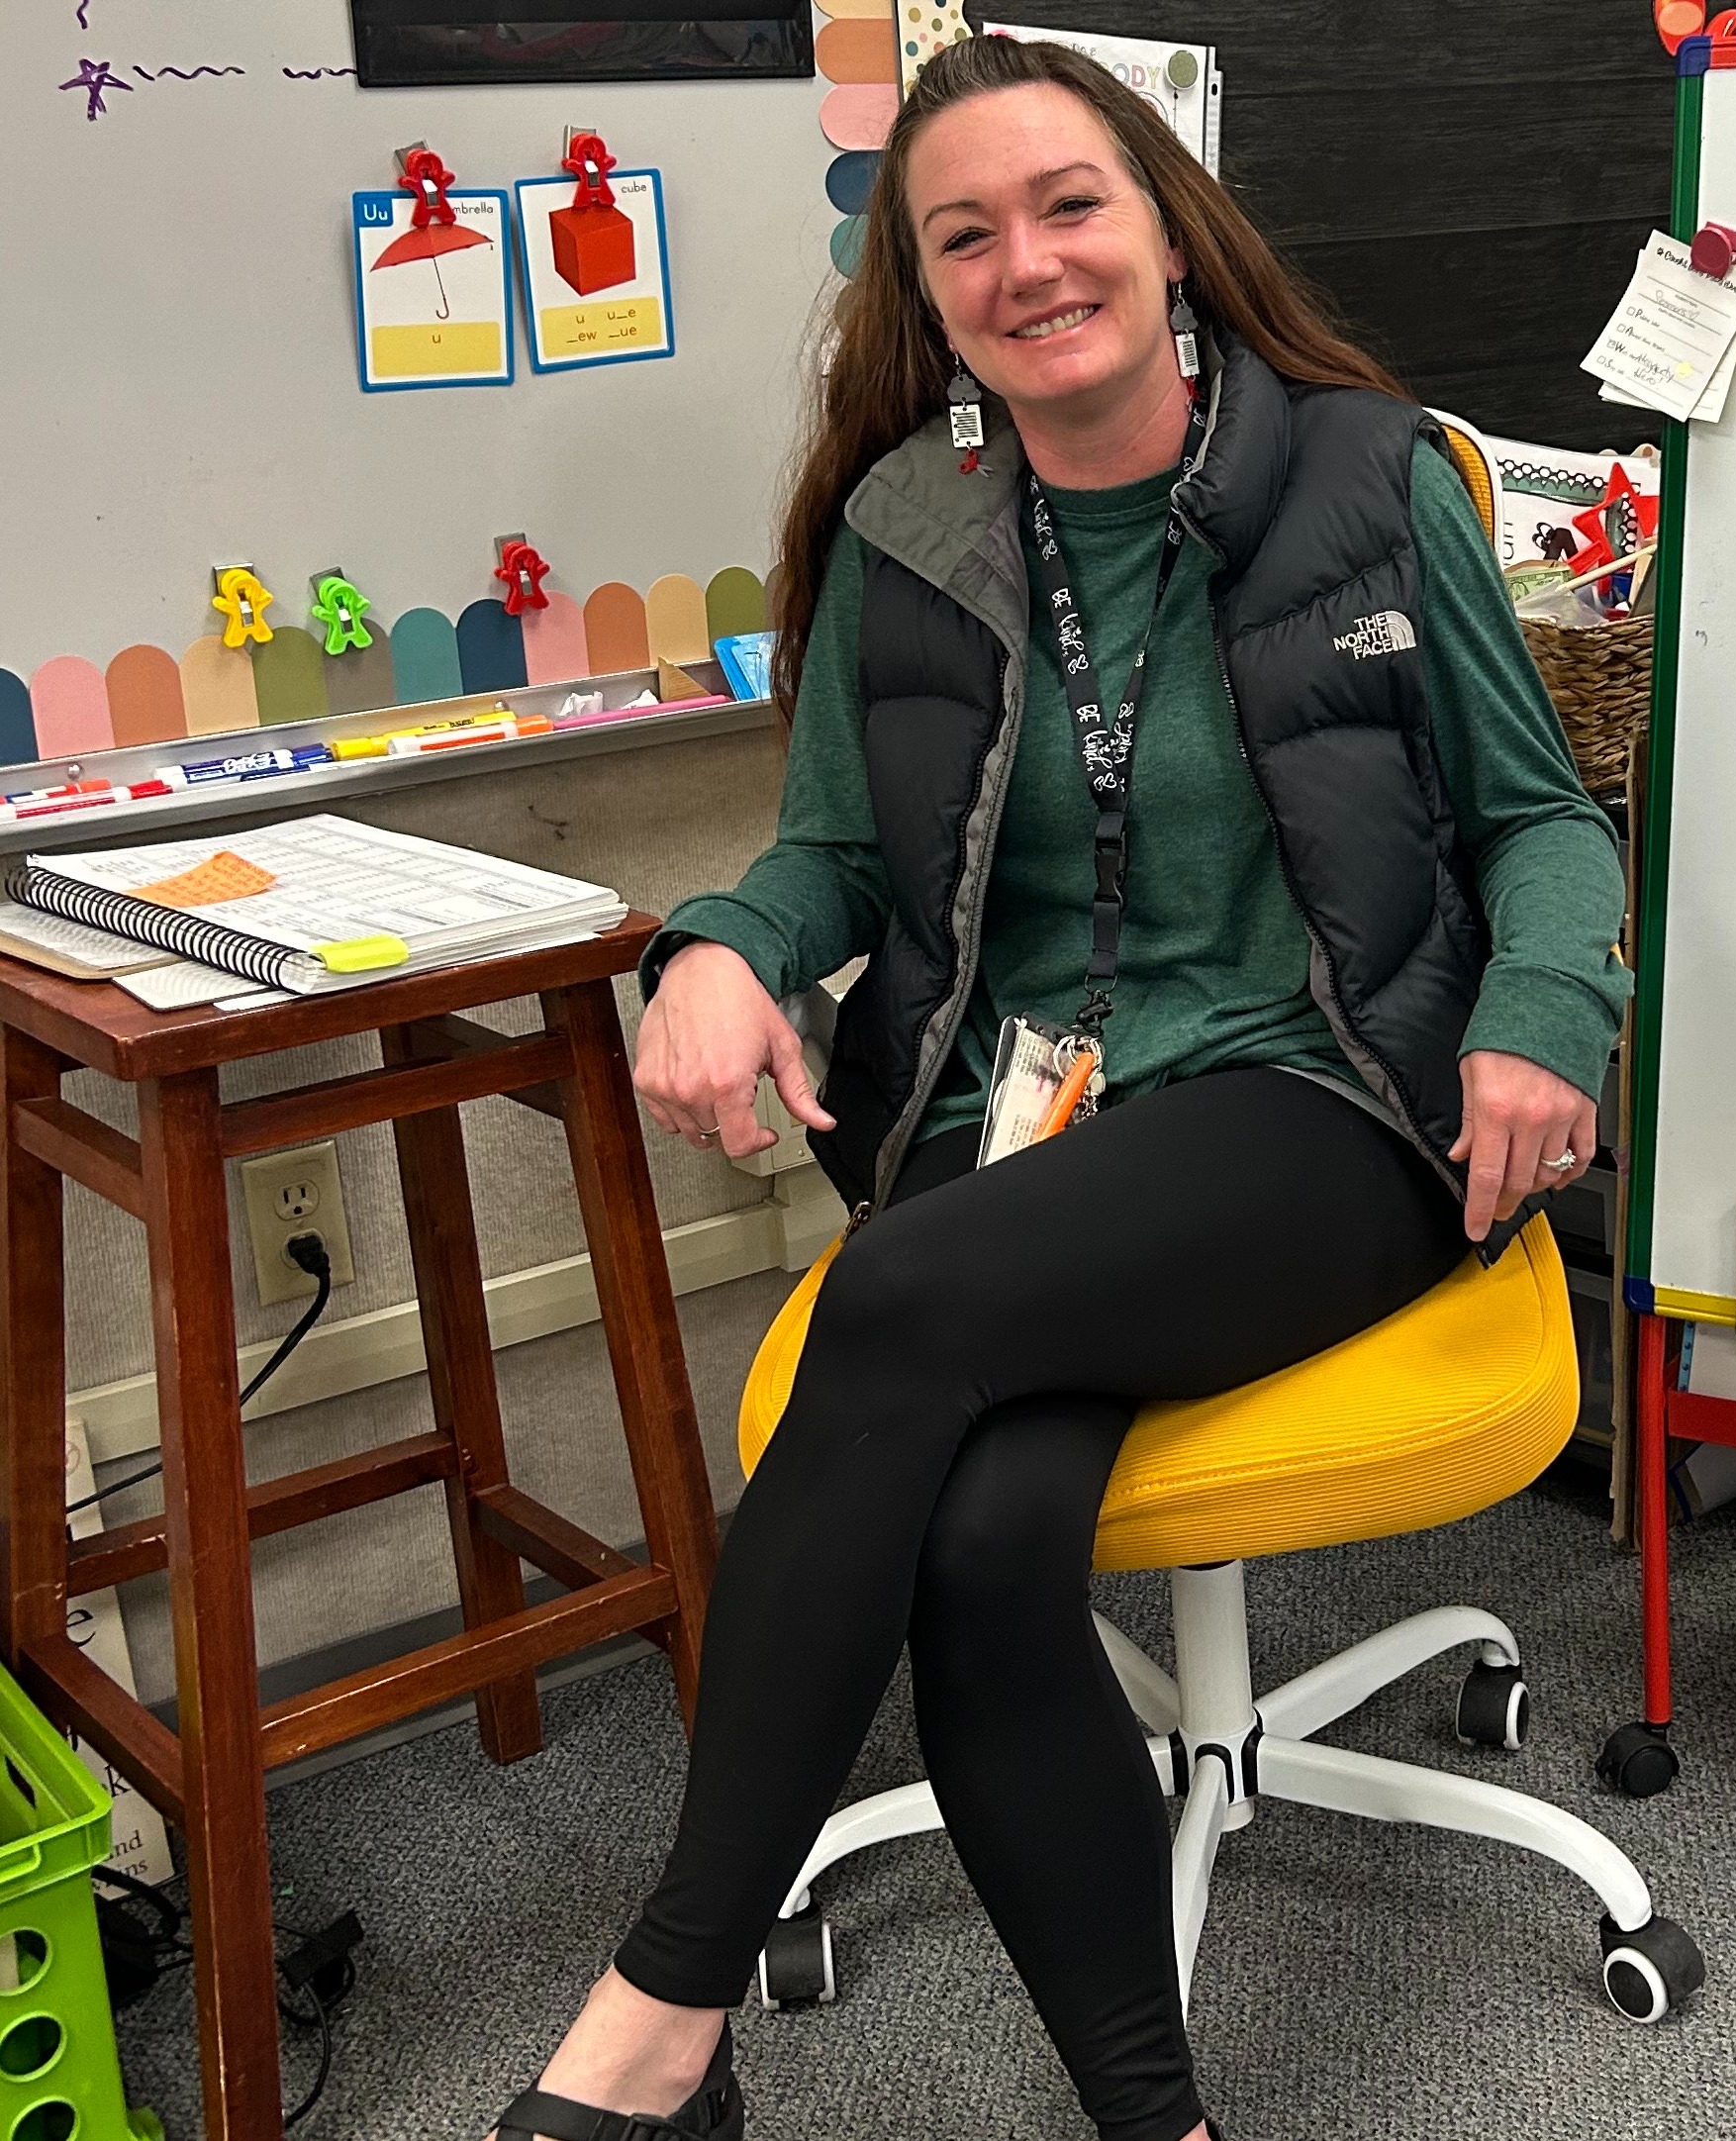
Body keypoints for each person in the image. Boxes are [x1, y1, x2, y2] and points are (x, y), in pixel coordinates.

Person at [488, 31, 1629, 2141]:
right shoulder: (903, 530)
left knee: (897, 1309)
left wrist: (1542, 1005)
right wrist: (722, 944)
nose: (1028, 262)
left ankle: (659, 2012)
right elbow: (829, 846)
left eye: (1069, 204)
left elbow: (1542, 821)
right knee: (984, 1536)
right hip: (1023, 1141)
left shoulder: (1375, 479)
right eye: (964, 236)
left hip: (1331, 1100)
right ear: (923, 300)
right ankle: (1154, 2118)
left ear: (1165, 227)